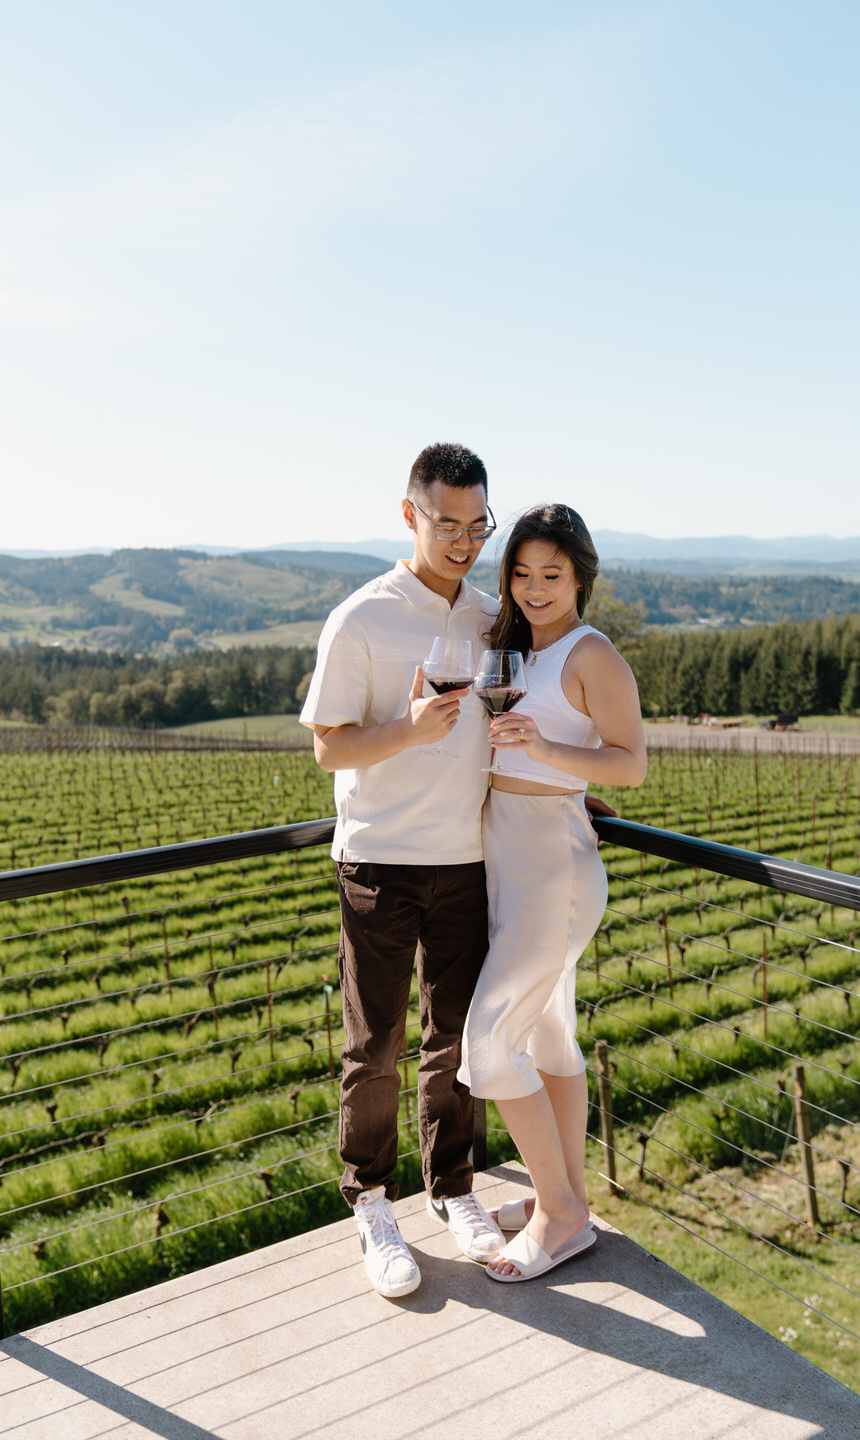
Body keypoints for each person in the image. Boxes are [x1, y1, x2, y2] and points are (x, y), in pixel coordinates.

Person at [299, 442, 506, 1298]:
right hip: (379, 863)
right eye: (446, 524)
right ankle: (373, 1204)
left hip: (470, 859)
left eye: (477, 526)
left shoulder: (494, 618)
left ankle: (452, 1187)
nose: (463, 542)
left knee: (458, 1039)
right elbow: (329, 746)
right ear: (409, 515)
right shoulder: (361, 619)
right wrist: (412, 731)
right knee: (375, 1046)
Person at [457, 503, 647, 1283]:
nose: (535, 589)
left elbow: (630, 763)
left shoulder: (591, 653)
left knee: (488, 1041)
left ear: (579, 579)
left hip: (554, 868)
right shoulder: (513, 648)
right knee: (550, 1037)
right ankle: (563, 1199)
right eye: (522, 574)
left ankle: (560, 1214)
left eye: (553, 575)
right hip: (506, 855)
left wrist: (547, 749)